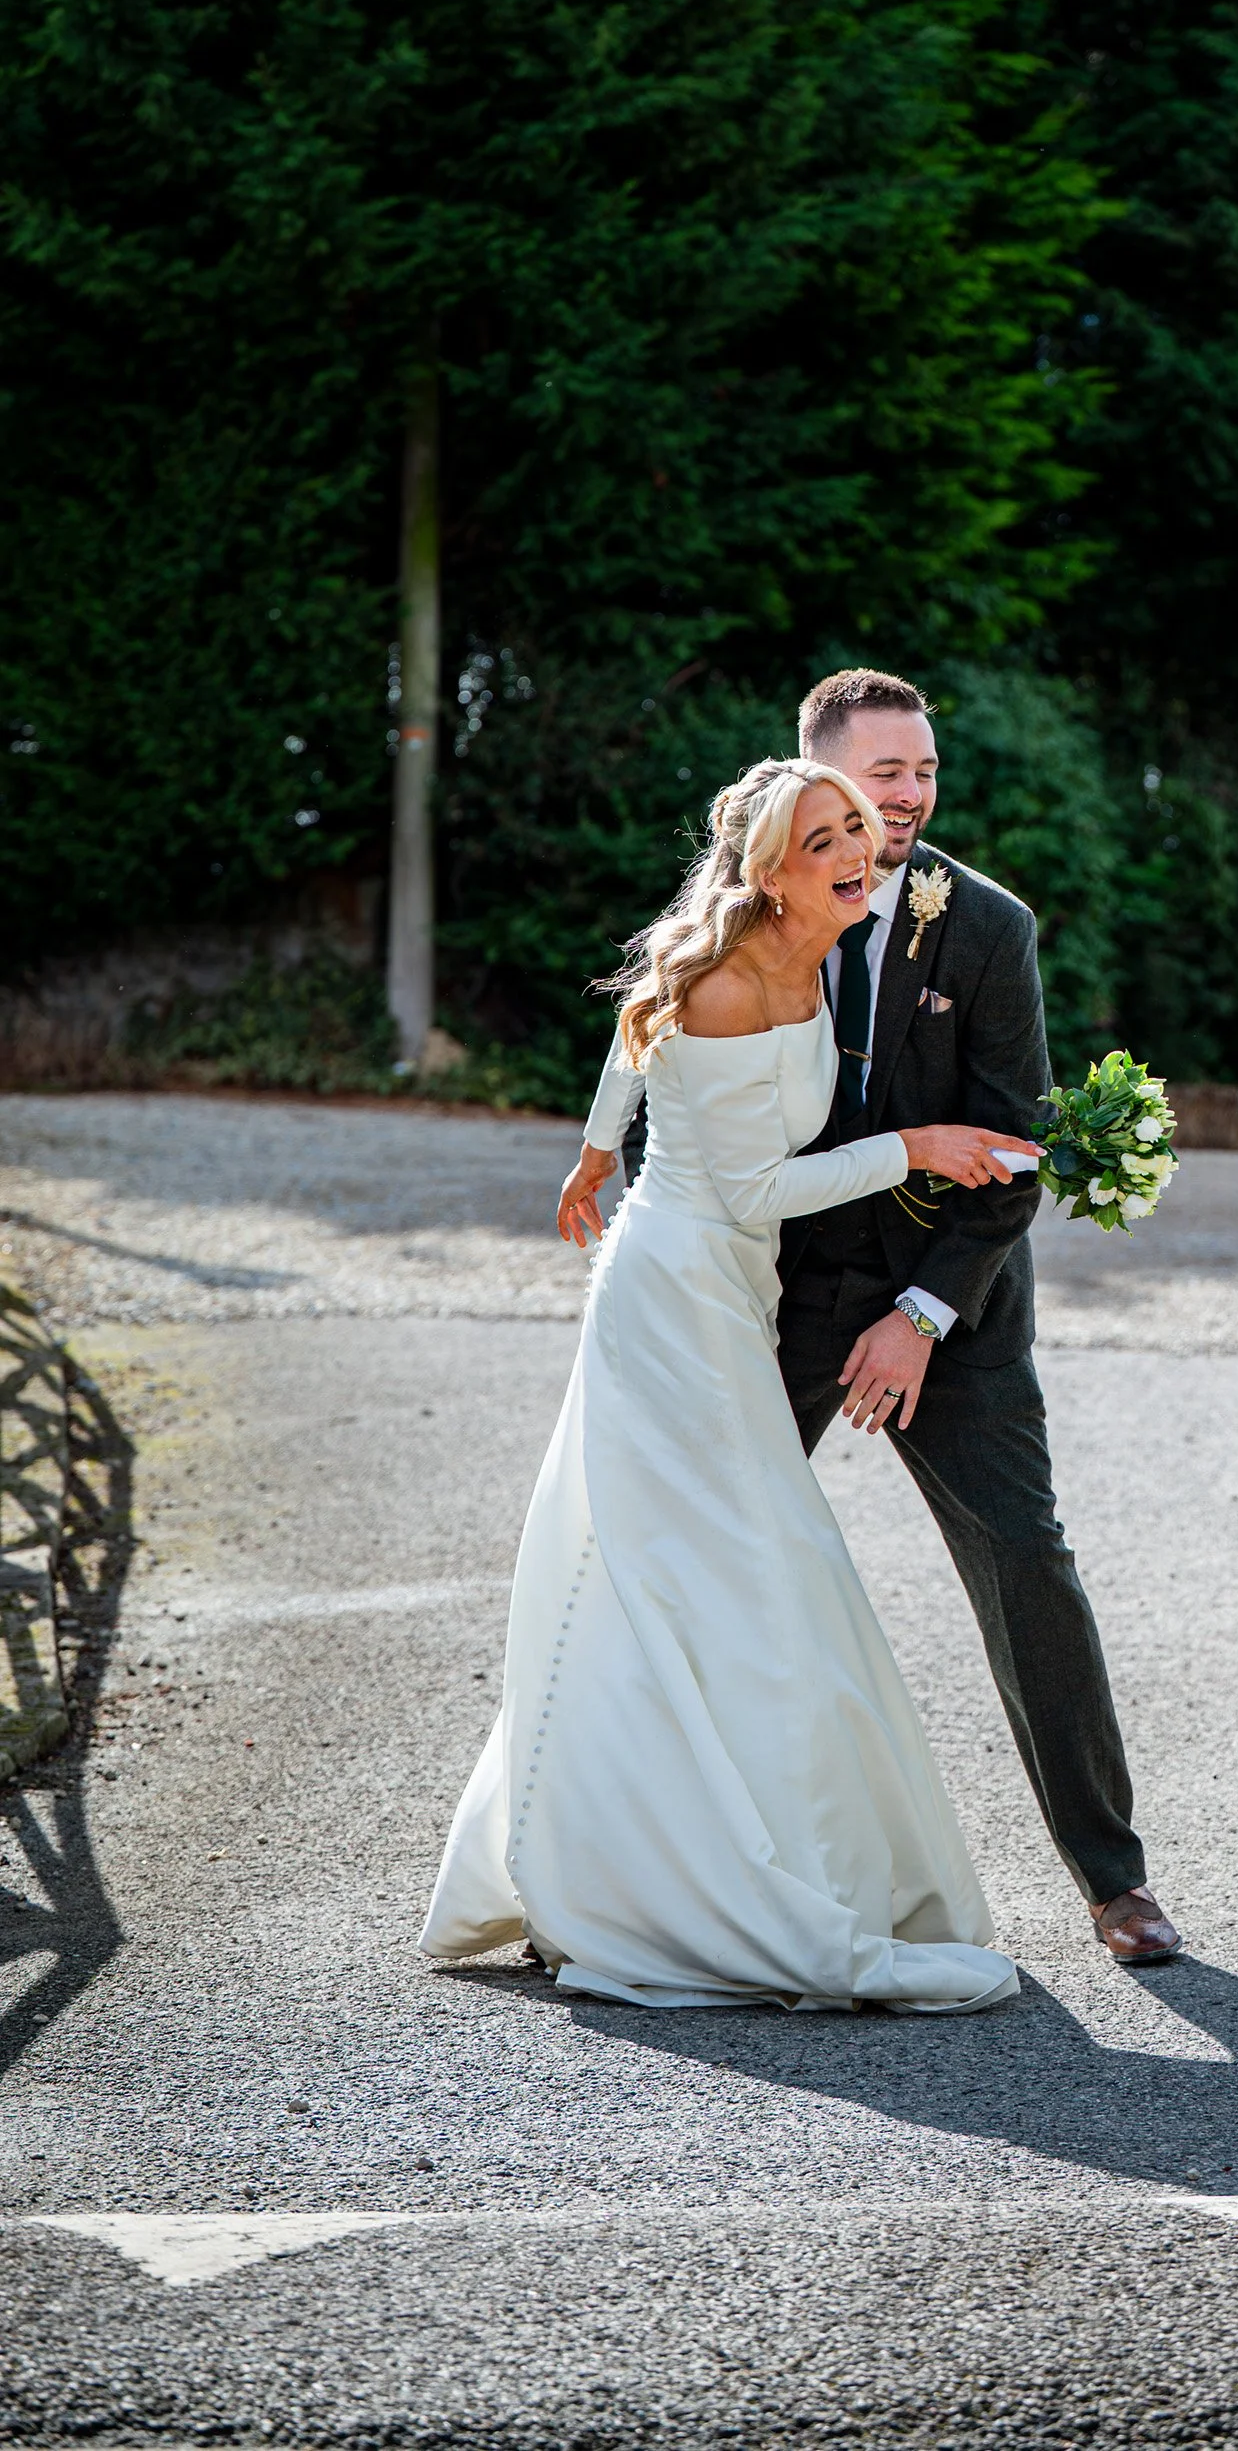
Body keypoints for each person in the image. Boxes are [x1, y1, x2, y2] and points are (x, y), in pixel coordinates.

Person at [421, 758, 1036, 2012]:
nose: (856, 848)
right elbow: (754, 1181)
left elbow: (622, 1037)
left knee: (687, 1563)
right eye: (825, 836)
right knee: (717, 1565)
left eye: (857, 828)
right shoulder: (729, 973)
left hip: (722, 1282)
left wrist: (597, 1146)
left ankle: (615, 1840)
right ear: (770, 870)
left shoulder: (799, 942)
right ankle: (663, 1871)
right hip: (674, 1298)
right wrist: (914, 1147)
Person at [774, 669, 1181, 1968]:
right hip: (775, 1299)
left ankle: (1115, 1883)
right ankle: (669, 1852)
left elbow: (1014, 1152)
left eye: (925, 773)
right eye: (885, 771)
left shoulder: (989, 927)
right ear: (817, 773)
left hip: (951, 1302)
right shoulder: (746, 910)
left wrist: (919, 1316)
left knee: (1028, 1564)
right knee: (696, 1549)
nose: (909, 795)